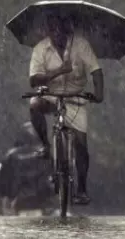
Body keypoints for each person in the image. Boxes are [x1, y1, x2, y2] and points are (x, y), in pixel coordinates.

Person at [28, 13, 104, 205]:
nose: (58, 35)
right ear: (49, 32)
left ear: (69, 31)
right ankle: (46, 145)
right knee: (34, 105)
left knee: (81, 145)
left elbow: (96, 71)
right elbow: (33, 80)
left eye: (62, 31)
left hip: (75, 97)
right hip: (51, 95)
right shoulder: (40, 49)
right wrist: (59, 71)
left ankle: (82, 189)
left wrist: (99, 94)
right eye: (54, 31)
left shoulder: (81, 45)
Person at [0, 122, 54, 215]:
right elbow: (52, 176)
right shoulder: (45, 154)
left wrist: (5, 197)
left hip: (18, 199)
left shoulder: (11, 155)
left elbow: (3, 180)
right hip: (41, 199)